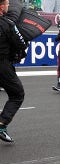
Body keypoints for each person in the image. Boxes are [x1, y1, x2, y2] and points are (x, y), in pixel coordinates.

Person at [0, 0, 27, 143]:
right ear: (1, 7)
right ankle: (2, 123)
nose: (8, 7)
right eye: (7, 4)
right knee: (17, 94)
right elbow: (21, 43)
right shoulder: (8, 24)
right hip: (2, 64)